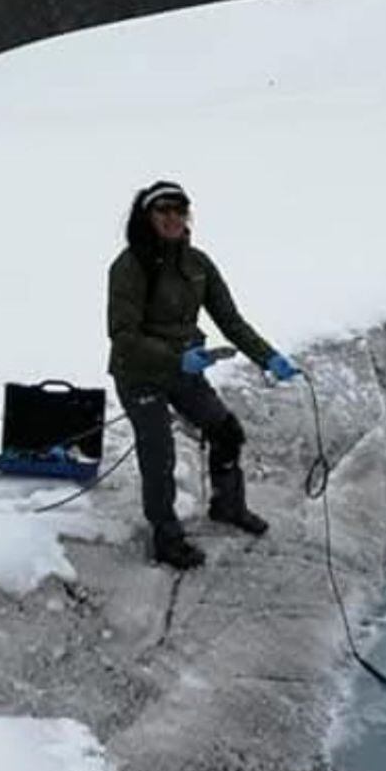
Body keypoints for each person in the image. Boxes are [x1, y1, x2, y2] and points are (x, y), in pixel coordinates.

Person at [107, 180, 299, 569]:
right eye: (163, 211)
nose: (173, 218)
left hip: (184, 367)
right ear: (147, 217)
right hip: (140, 373)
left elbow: (230, 320)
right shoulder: (129, 266)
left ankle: (228, 506)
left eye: (180, 210)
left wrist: (268, 357)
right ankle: (166, 535)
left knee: (226, 430)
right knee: (159, 453)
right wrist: (175, 359)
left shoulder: (197, 265)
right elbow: (122, 336)